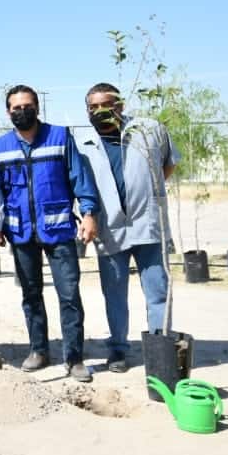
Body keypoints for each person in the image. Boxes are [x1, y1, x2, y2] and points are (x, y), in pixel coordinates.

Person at [0, 85, 101, 382]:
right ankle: (38, 350)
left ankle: (74, 358)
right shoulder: (0, 146)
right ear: (8, 111)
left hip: (59, 230)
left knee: (69, 295)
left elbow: (79, 177)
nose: (21, 111)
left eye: (27, 106)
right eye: (15, 107)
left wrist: (88, 213)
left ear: (37, 107)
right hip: (20, 232)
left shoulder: (60, 137)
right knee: (31, 295)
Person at [73, 83, 180, 372]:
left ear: (120, 104)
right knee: (115, 294)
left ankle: (160, 348)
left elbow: (168, 165)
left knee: (158, 291)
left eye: (106, 104)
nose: (99, 111)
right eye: (92, 107)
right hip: (111, 229)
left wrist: (147, 194)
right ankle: (118, 350)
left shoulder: (149, 131)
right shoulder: (82, 143)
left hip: (149, 226)